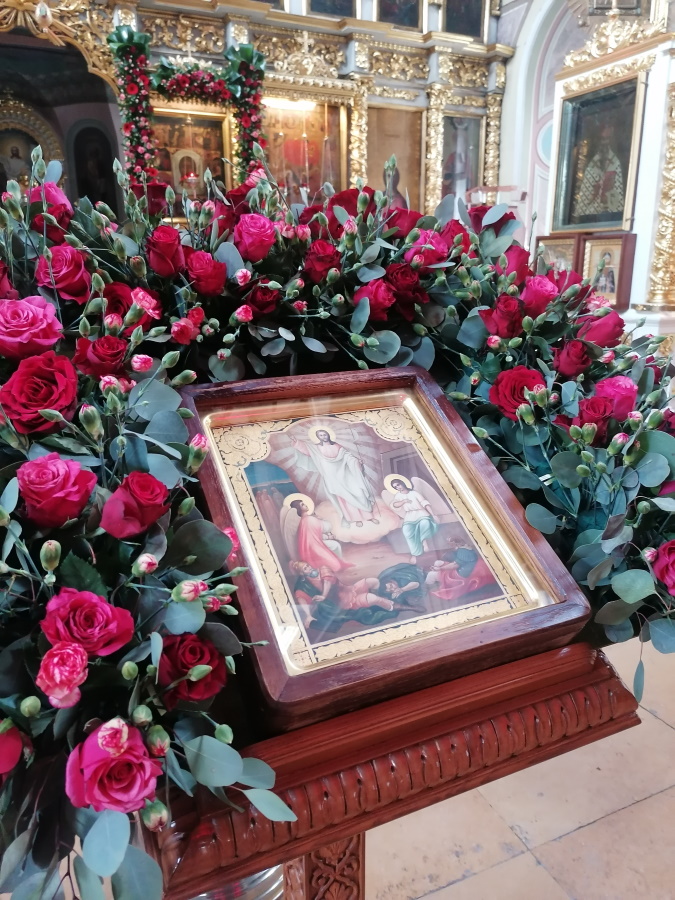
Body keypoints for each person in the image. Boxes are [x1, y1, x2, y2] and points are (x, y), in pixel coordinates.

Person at [290, 427, 378, 527]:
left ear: (328, 434)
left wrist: (356, 462)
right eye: (320, 435)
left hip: (345, 475)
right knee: (344, 499)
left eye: (324, 434)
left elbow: (348, 456)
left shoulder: (337, 446)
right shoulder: (316, 449)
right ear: (318, 437)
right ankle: (355, 519)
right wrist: (297, 442)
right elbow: (306, 449)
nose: (323, 437)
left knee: (358, 492)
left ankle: (369, 517)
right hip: (332, 478)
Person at [572, 124, 624, 221]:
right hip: (590, 214)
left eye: (608, 139)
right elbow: (587, 191)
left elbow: (616, 193)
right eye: (603, 139)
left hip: (609, 214)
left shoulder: (615, 162)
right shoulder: (592, 163)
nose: (605, 143)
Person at [425, 535, 495, 603]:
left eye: (450, 543)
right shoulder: (466, 547)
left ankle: (427, 587)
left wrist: (440, 569)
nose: (448, 544)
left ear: (454, 543)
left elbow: (454, 565)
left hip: (460, 573)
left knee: (431, 575)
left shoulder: (463, 551)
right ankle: (436, 577)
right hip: (462, 567)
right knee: (437, 562)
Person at [290, 498, 350, 573]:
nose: (305, 505)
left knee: (335, 546)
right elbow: (327, 527)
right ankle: (337, 566)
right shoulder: (309, 519)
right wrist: (327, 534)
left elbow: (315, 535)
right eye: (302, 505)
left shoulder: (304, 521)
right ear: (299, 509)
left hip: (313, 545)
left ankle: (338, 564)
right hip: (315, 547)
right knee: (335, 552)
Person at [389, 477, 438, 561]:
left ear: (402, 483)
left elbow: (424, 503)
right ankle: (415, 554)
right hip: (410, 515)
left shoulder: (414, 493)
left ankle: (424, 541)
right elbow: (395, 504)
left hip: (421, 513)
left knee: (425, 523)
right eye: (395, 487)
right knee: (407, 531)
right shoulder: (398, 495)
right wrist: (403, 501)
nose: (398, 487)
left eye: (398, 485)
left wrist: (433, 515)